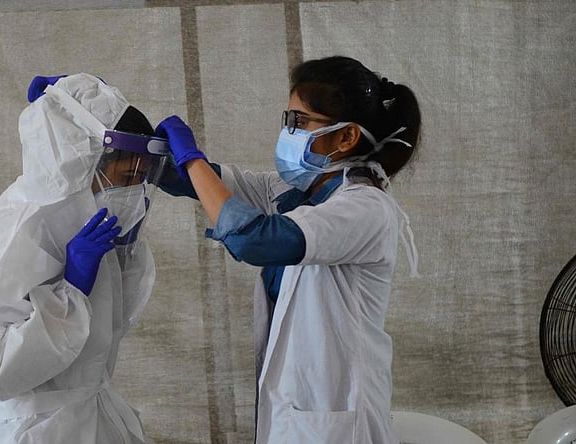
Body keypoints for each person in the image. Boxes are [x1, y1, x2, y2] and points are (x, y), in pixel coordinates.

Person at [154, 56, 421, 444]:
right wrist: (114, 132)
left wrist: (191, 158)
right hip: (299, 410)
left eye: (299, 121)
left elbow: (254, 239)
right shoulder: (299, 192)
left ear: (346, 137)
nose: (287, 131)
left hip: (338, 417)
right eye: (288, 119)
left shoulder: (364, 207)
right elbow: (194, 181)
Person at [0, 73, 168, 443]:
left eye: (142, 179)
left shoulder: (82, 219)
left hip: (91, 416)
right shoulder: (17, 230)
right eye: (128, 176)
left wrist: (126, 254)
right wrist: (69, 293)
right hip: (34, 431)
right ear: (86, 161)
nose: (135, 191)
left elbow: (109, 328)